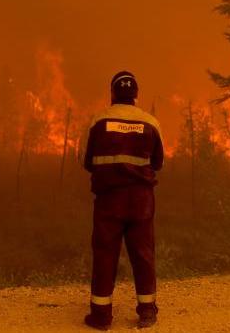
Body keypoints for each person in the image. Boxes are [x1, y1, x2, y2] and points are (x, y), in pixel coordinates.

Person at [83, 71, 164, 330]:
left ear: (113, 93)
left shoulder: (99, 121)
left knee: (105, 255)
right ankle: (147, 312)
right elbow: (158, 163)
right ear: (136, 96)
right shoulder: (151, 122)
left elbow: (87, 162)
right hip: (141, 201)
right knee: (143, 255)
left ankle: (101, 317)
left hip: (109, 200)